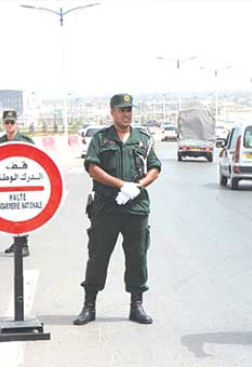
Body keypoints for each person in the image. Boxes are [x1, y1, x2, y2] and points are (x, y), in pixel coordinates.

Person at [73, 93, 161, 326]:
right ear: (112, 112)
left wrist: (137, 187)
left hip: (136, 207)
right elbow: (92, 167)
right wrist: (121, 185)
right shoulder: (101, 139)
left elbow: (154, 168)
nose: (126, 114)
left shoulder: (143, 138)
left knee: (137, 256)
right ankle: (89, 306)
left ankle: (137, 305)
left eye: (129, 110)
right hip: (106, 207)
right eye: (121, 110)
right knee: (98, 256)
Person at [0, 109, 35, 257]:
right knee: (11, 215)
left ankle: (24, 244)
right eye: (6, 122)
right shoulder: (0, 142)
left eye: (12, 122)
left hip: (23, 183)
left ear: (16, 124)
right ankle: (16, 242)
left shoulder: (25, 142)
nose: (9, 125)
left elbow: (35, 162)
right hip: (7, 183)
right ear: (3, 124)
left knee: (22, 215)